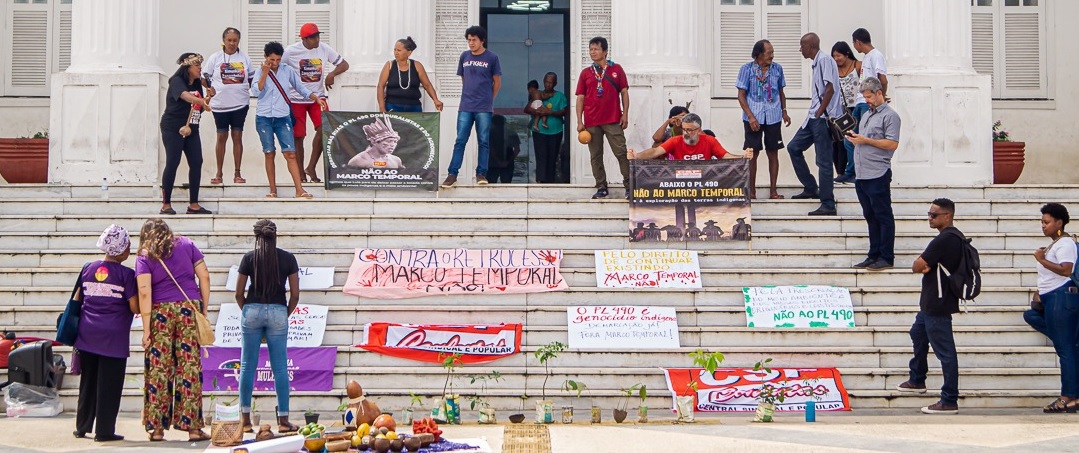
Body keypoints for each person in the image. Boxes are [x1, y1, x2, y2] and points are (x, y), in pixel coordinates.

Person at [136, 218, 211, 441]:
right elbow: (204, 276)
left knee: (159, 369)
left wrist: (147, 329)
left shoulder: (144, 254)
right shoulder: (187, 244)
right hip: (189, 308)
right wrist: (203, 310)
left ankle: (157, 428)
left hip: (160, 312)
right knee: (190, 368)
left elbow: (144, 292)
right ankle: (194, 429)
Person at [73, 225, 139, 442]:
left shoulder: (88, 268)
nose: (129, 249)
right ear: (120, 249)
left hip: (86, 334)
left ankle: (82, 427)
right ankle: (104, 431)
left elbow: (77, 299)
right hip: (113, 337)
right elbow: (134, 307)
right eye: (127, 245)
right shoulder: (127, 275)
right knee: (109, 385)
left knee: (88, 381)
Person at [235, 220, 301, 433]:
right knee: (280, 367)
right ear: (275, 236)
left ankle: (245, 421)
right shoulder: (288, 258)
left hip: (252, 309)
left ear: (256, 237)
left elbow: (238, 293)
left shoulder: (249, 258)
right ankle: (283, 421)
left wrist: (248, 311)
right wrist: (284, 313)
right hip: (278, 310)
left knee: (247, 366)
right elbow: (295, 294)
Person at [898, 198, 963, 415]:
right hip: (932, 303)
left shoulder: (944, 240)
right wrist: (925, 264)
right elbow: (922, 265)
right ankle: (917, 379)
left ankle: (949, 399)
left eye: (934, 215)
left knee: (945, 352)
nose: (930, 218)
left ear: (947, 216)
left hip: (938, 303)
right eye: (929, 214)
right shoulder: (952, 238)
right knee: (917, 333)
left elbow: (917, 265)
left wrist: (923, 264)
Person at [1021, 203, 1079, 413]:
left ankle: (1067, 398)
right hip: (1053, 299)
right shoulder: (1055, 243)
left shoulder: (1065, 243)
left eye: (1047, 222)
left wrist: (1041, 259)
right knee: (1032, 316)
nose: (1043, 226)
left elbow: (1065, 270)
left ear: (1059, 223)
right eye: (1042, 222)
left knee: (1065, 350)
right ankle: (1074, 395)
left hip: (1061, 299)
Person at [252, 41, 327, 199]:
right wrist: (265, 72)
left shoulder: (287, 71)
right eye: (272, 60)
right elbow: (256, 91)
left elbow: (301, 88)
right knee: (269, 153)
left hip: (282, 116)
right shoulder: (259, 71)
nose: (275, 63)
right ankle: (273, 190)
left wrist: (315, 98)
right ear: (265, 57)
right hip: (264, 117)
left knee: (290, 153)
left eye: (278, 60)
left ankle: (299, 189)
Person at [282, 22, 350, 183]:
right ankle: (300, 173)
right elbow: (278, 67)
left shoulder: (324, 48)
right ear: (304, 39)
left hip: (318, 97)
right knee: (298, 136)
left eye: (318, 35)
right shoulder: (291, 52)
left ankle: (311, 166)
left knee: (324, 129)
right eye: (313, 37)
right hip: (296, 99)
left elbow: (344, 64)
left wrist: (332, 74)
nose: (317, 39)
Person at [787, 33, 843, 216]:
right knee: (794, 147)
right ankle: (811, 187)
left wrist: (820, 112)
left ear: (810, 46)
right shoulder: (817, 61)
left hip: (822, 119)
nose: (800, 50)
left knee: (824, 162)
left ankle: (828, 203)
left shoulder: (825, 60)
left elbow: (830, 88)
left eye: (801, 46)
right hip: (812, 118)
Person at [848, 77, 899, 271]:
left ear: (879, 93)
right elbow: (864, 139)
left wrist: (865, 141)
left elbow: (892, 143)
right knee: (870, 215)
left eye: (869, 96)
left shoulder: (890, 116)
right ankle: (873, 254)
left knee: (883, 214)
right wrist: (856, 139)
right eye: (864, 97)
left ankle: (886, 256)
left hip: (878, 172)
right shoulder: (868, 114)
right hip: (862, 173)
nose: (867, 100)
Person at [441, 25, 501, 188]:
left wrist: (489, 99)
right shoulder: (464, 56)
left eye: (474, 40)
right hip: (466, 106)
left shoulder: (492, 58)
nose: (471, 43)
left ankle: (481, 173)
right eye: (469, 40)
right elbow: (464, 79)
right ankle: (452, 174)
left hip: (483, 107)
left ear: (482, 40)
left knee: (483, 141)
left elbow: (497, 82)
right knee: (460, 140)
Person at [576, 36, 631, 199]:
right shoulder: (586, 73)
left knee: (621, 152)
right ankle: (601, 186)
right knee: (595, 155)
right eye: (591, 49)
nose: (593, 52)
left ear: (605, 51)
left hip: (613, 118)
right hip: (592, 121)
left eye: (596, 49)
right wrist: (580, 121)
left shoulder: (617, 69)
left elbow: (624, 92)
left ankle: (629, 186)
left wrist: (625, 113)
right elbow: (580, 97)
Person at [737, 39, 791, 200]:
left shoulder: (778, 69)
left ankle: (773, 191)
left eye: (772, 52)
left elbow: (781, 92)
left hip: (773, 115)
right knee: (752, 153)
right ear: (758, 54)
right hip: (753, 116)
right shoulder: (746, 69)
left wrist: (784, 111)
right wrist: (751, 117)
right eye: (769, 53)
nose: (772, 56)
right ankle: (751, 192)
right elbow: (741, 96)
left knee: (773, 152)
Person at [160, 53, 213, 216]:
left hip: (192, 126)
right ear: (188, 67)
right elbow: (185, 96)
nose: (200, 69)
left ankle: (194, 204)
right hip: (173, 127)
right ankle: (166, 204)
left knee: (197, 161)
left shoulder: (197, 83)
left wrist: (208, 96)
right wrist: (201, 100)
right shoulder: (176, 81)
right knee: (173, 162)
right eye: (197, 66)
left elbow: (201, 106)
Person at [204, 27, 254, 186]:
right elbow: (204, 76)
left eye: (235, 40)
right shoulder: (215, 57)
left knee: (237, 136)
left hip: (240, 104)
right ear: (223, 41)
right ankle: (218, 173)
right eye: (229, 40)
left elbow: (252, 78)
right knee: (221, 136)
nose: (232, 43)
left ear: (239, 41)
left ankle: (238, 173)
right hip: (220, 105)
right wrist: (209, 88)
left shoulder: (245, 58)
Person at [628, 113, 753, 161]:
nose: (685, 133)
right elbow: (655, 151)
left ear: (698, 130)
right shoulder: (675, 140)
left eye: (689, 130)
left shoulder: (710, 140)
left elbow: (725, 156)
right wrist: (637, 156)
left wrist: (743, 157)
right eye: (683, 129)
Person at [832, 41, 870, 184]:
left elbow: (869, 81)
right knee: (839, 142)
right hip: (842, 110)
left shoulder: (858, 66)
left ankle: (853, 171)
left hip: (857, 106)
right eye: (834, 57)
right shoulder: (834, 69)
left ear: (847, 53)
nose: (836, 59)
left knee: (853, 139)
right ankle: (843, 171)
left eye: (839, 56)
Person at [376, 36, 443, 113]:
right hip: (393, 107)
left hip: (414, 108)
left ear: (409, 52)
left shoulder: (417, 65)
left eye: (399, 50)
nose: (396, 53)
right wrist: (381, 107)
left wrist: (436, 100)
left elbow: (427, 85)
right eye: (395, 50)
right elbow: (380, 86)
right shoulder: (389, 65)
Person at [523, 72, 568, 183]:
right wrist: (536, 110)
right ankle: (541, 180)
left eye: (550, 82)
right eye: (546, 82)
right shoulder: (538, 94)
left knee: (552, 157)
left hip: (556, 131)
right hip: (539, 131)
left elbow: (564, 111)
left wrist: (550, 112)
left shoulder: (560, 96)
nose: (548, 85)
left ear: (555, 83)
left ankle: (551, 181)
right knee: (541, 155)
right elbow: (527, 109)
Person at [852, 28, 888, 101]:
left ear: (858, 42)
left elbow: (883, 81)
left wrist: (881, 98)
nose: (854, 46)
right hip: (860, 99)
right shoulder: (866, 56)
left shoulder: (876, 56)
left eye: (853, 43)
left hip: (869, 101)